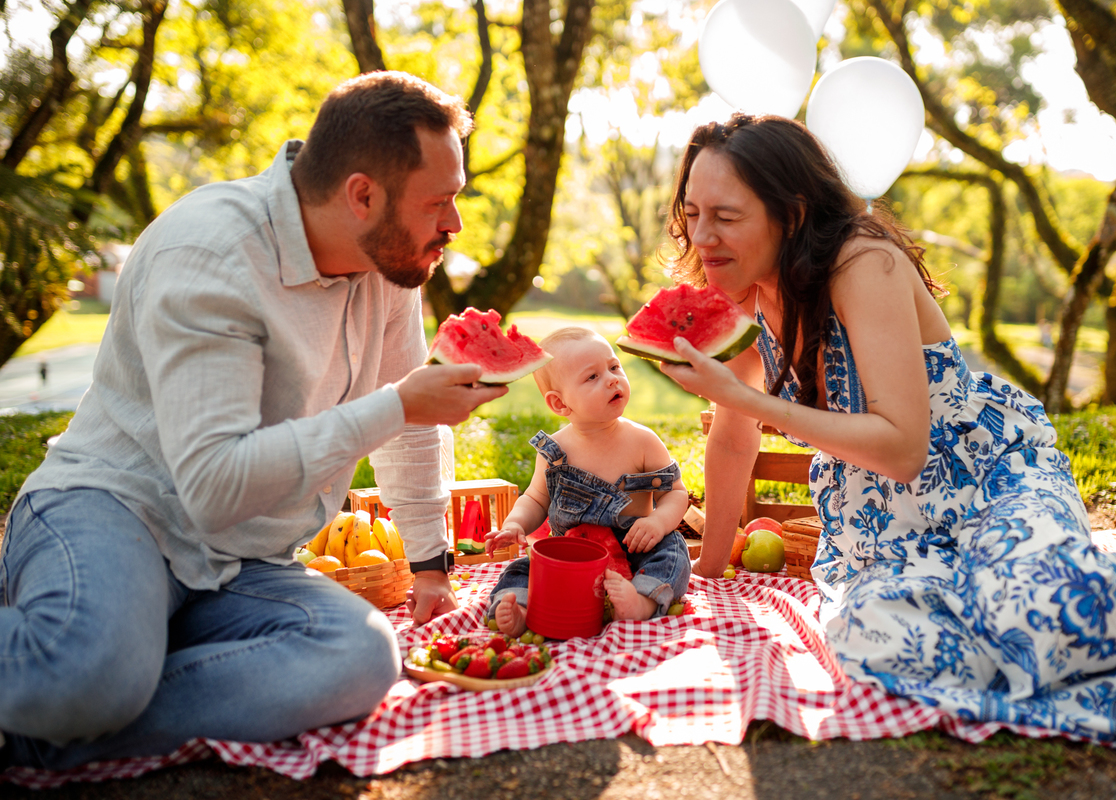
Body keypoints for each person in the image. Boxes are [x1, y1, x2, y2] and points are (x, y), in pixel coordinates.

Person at [0, 71, 507, 771]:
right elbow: (212, 483)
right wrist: (394, 405)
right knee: (85, 677)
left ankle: (54, 720)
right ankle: (77, 685)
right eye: (440, 202)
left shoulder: (387, 263)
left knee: (361, 658)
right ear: (362, 195)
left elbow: (414, 421)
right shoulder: (210, 256)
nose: (454, 224)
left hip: (242, 561)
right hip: (117, 510)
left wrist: (429, 565)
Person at [658, 113, 1116, 748]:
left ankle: (1081, 592)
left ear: (793, 212)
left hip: (988, 479)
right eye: (693, 214)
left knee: (1045, 605)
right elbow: (731, 439)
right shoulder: (744, 300)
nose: (703, 236)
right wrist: (712, 567)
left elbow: (904, 448)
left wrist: (743, 395)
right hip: (879, 527)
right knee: (866, 633)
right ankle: (1012, 616)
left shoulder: (864, 263)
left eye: (725, 216)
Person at [483, 327, 691, 635]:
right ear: (559, 404)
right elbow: (535, 499)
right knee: (523, 568)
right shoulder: (554, 451)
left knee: (673, 552)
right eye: (592, 377)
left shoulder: (643, 441)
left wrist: (658, 523)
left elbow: (675, 493)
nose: (611, 378)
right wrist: (515, 524)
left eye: (613, 366)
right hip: (572, 557)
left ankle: (641, 602)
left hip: (636, 549)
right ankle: (520, 610)